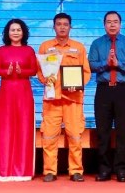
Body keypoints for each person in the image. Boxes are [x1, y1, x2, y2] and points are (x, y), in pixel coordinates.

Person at [36, 13, 90, 182]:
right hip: (52, 100)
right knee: (49, 137)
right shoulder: (45, 47)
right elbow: (39, 71)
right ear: (54, 27)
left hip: (73, 99)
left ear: (70, 27)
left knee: (75, 136)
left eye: (65, 24)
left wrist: (79, 84)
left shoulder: (79, 47)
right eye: (58, 24)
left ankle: (75, 171)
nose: (62, 27)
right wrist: (47, 80)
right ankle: (49, 171)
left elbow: (86, 72)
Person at [88, 10, 125, 182]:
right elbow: (91, 65)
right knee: (103, 132)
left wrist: (118, 64)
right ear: (104, 24)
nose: (112, 24)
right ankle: (103, 169)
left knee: (123, 131)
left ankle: (121, 170)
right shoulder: (96, 43)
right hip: (103, 90)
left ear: (120, 24)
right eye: (108, 22)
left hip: (122, 90)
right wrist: (106, 64)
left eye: (115, 21)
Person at [0, 18, 39, 181]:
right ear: (7, 32)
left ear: (23, 32)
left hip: (24, 92)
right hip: (6, 91)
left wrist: (22, 71)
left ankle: (23, 170)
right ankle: (4, 170)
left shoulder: (29, 50)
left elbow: (34, 70)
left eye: (18, 30)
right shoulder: (1, 50)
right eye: (12, 30)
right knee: (6, 128)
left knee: (24, 127)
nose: (15, 32)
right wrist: (7, 71)